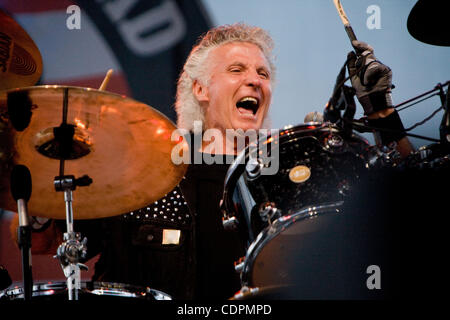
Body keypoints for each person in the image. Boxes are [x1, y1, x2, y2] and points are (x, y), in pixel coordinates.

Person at [11, 23, 412, 300]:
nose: (255, 80)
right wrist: (49, 172)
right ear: (200, 89)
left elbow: (407, 206)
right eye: (236, 69)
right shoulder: (137, 162)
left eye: (263, 73)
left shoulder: (283, 168)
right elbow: (40, 239)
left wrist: (381, 114)